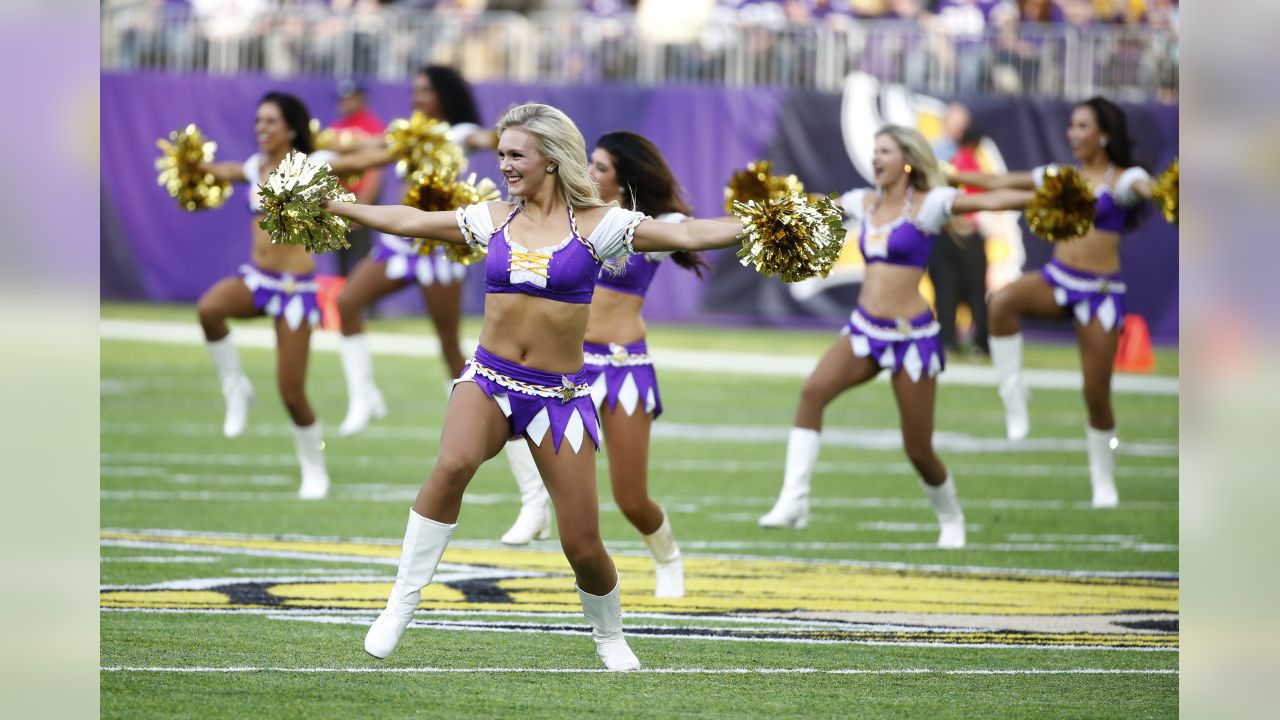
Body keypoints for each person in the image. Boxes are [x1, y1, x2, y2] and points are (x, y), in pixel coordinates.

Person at [322, 103, 751, 670]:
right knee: (451, 465)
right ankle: (400, 604)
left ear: (550, 159)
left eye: (515, 155)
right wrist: (334, 205)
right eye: (500, 154)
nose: (504, 165)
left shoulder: (600, 225)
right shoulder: (494, 217)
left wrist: (760, 224)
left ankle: (609, 633)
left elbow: (691, 230)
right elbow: (411, 220)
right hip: (491, 378)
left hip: (561, 397)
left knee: (582, 544)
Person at [758, 125, 1033, 548]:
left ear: (906, 160)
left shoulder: (931, 204)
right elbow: (812, 206)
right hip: (866, 329)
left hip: (912, 338)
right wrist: (765, 208)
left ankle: (951, 518)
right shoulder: (863, 202)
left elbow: (992, 200)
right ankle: (794, 501)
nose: (875, 159)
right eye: (874, 151)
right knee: (813, 392)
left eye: (884, 151)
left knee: (918, 448)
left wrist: (1047, 197)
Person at [501, 130, 708, 596]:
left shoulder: (647, 225)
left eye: (601, 167)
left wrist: (766, 223)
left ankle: (668, 555)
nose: (590, 173)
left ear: (623, 177)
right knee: (504, 399)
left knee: (630, 497)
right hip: (569, 363)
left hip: (622, 369)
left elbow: (692, 231)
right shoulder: (570, 216)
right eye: (589, 163)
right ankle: (535, 505)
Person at [951, 96, 1155, 508]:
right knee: (1002, 301)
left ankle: (1103, 477)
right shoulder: (1063, 176)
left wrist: (1167, 189)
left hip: (1099, 295)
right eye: (1072, 126)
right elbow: (999, 182)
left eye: (1082, 126)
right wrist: (948, 175)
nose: (1073, 134)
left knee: (1097, 397)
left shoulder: (1125, 178)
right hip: (1058, 281)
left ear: (1104, 135)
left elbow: (1146, 188)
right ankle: (1014, 393)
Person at [194, 91, 390, 500]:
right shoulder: (255, 167)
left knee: (291, 392)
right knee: (209, 309)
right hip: (256, 280)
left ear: (290, 129)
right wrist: (197, 167)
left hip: (294, 292)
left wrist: (397, 150)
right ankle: (236, 388)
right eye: (258, 121)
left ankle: (314, 468)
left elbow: (356, 161)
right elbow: (228, 170)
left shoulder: (312, 165)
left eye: (270, 122)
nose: (261, 128)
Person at [334, 65, 495, 438]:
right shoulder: (408, 132)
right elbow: (367, 152)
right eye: (415, 89)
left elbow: (491, 138)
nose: (417, 96)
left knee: (449, 346)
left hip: (438, 249)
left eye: (425, 90)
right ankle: (363, 396)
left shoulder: (459, 133)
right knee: (346, 302)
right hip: (400, 246)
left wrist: (513, 129)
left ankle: (470, 421)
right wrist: (317, 155)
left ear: (443, 95)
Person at [929, 125, 991, 355]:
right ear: (976, 143)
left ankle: (948, 341)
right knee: (976, 292)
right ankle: (981, 343)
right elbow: (984, 197)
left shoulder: (949, 162)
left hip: (945, 234)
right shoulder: (972, 165)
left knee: (945, 292)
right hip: (968, 235)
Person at [329, 78, 386, 276]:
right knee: (341, 258)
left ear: (361, 98)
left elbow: (375, 169)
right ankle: (341, 303)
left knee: (363, 256)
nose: (345, 102)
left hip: (360, 198)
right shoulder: (335, 129)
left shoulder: (372, 126)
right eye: (342, 98)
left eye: (350, 98)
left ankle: (365, 304)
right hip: (338, 200)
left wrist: (363, 204)